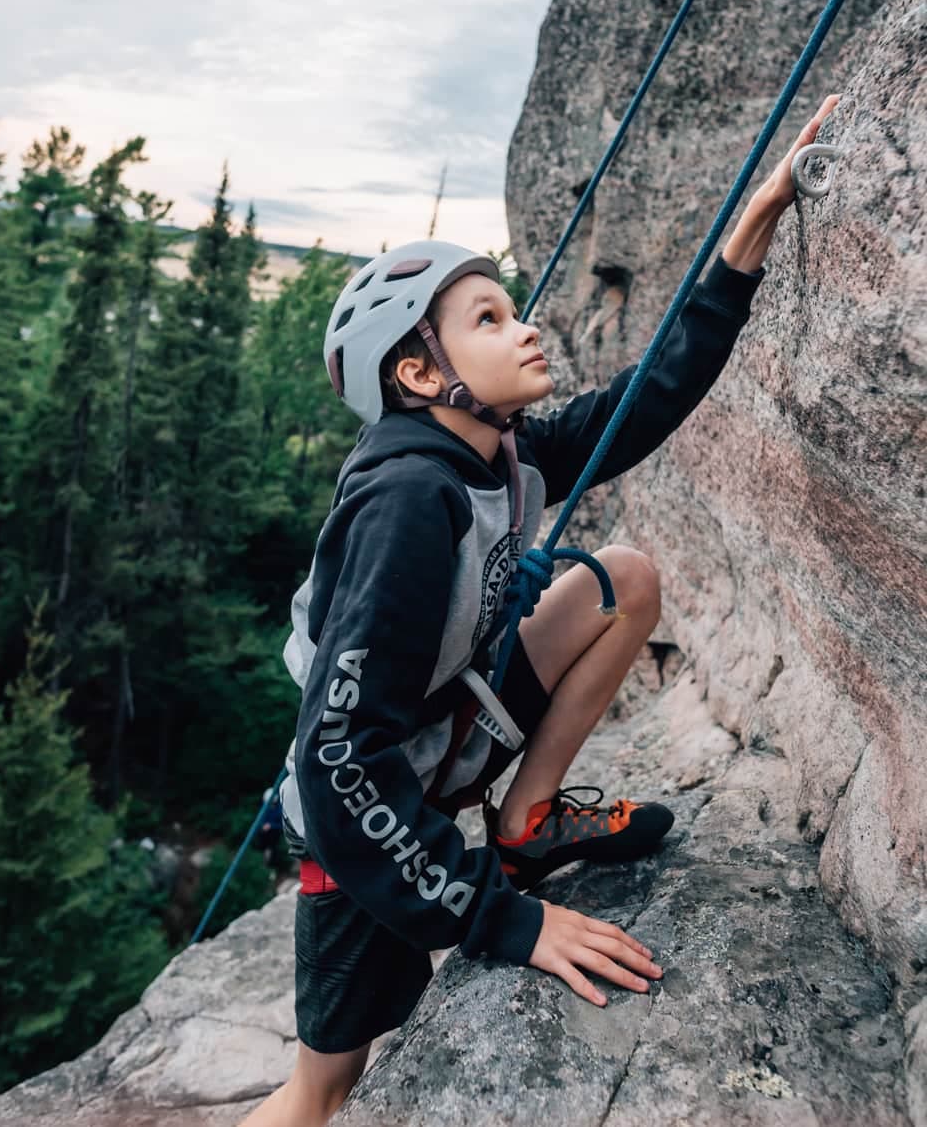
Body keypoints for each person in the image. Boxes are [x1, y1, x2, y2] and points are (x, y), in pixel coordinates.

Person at [237, 97, 839, 1127]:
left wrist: (751, 231)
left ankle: (525, 820)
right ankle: (495, 856)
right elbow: (337, 755)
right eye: (487, 320)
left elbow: (643, 403)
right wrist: (503, 919)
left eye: (510, 310)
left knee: (622, 579)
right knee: (322, 1089)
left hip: (449, 730)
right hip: (366, 811)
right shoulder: (405, 503)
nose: (524, 327)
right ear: (420, 373)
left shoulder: (499, 451)